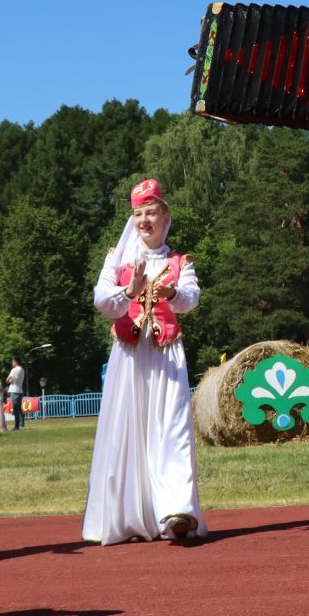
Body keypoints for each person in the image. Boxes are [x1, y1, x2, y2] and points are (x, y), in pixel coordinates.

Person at [84, 178, 206, 546]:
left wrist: (173, 292)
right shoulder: (117, 260)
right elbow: (102, 301)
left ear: (165, 216)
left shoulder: (178, 262)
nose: (144, 220)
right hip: (129, 355)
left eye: (151, 212)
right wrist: (129, 290)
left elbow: (191, 299)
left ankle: (177, 512)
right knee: (128, 431)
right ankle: (128, 517)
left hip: (167, 356)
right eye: (138, 213)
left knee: (174, 428)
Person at [6, 356, 26, 430]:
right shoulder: (22, 369)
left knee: (15, 409)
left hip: (14, 390)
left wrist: (9, 380)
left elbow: (7, 380)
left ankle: (16, 426)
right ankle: (22, 423)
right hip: (20, 390)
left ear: (16, 362)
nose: (12, 363)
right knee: (19, 408)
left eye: (13, 361)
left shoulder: (14, 370)